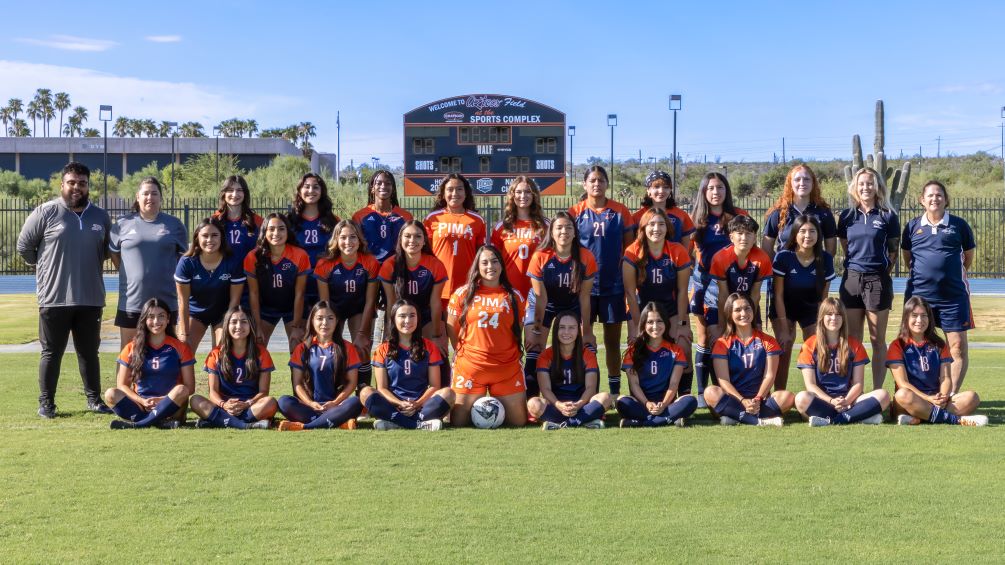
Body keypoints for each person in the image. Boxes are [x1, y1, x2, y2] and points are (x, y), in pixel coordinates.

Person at [17, 161, 113, 417]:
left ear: (88, 186)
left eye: (82, 183)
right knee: (51, 352)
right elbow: (24, 247)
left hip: (91, 297)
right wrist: (48, 267)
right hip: (54, 298)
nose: (76, 188)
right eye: (71, 183)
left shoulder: (101, 217)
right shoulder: (45, 212)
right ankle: (46, 403)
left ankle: (94, 400)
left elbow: (106, 251)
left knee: (89, 352)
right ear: (62, 185)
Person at [901, 180, 975, 393]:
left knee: (957, 347)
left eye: (939, 195)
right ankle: (917, 394)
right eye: (930, 195)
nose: (935, 199)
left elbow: (967, 259)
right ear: (922, 200)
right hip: (920, 299)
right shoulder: (912, 226)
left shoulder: (959, 225)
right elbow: (908, 260)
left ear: (946, 199)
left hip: (953, 298)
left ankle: (949, 396)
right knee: (915, 347)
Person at [568, 165, 636, 396]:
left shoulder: (620, 211)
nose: (597, 184)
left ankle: (615, 391)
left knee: (612, 342)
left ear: (607, 184)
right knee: (583, 340)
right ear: (585, 184)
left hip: (613, 286)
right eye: (592, 180)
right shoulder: (575, 212)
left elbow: (629, 248)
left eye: (601, 180)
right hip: (584, 286)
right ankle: (587, 389)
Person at [447, 245, 527, 427]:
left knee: (519, 422)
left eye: (494, 261)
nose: (490, 266)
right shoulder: (463, 294)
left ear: (502, 265)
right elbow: (451, 326)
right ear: (477, 266)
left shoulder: (514, 296)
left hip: (506, 368)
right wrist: (461, 351)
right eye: (484, 262)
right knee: (458, 423)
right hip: (471, 368)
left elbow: (517, 329)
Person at [688, 172, 747, 406]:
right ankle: (703, 393)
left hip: (733, 284)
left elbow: (749, 245)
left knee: (729, 336)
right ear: (704, 191)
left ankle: (727, 389)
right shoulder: (695, 220)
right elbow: (689, 255)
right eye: (711, 188)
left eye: (720, 187)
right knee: (706, 337)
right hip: (704, 284)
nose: (716, 192)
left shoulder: (738, 216)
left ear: (726, 190)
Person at [838, 167, 900, 390]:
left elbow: (892, 252)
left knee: (877, 339)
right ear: (855, 186)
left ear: (877, 187)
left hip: (877, 280)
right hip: (852, 279)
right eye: (862, 183)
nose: (866, 187)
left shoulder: (888, 216)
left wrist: (879, 274)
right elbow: (846, 248)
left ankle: (876, 392)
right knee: (853, 338)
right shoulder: (846, 217)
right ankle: (855, 388)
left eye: (870, 183)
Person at [109, 176, 188, 348]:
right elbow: (115, 255)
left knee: (166, 352)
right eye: (145, 193)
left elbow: (184, 261)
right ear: (138, 196)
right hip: (132, 301)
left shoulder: (174, 225)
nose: (149, 197)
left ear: (160, 198)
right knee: (128, 353)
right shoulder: (122, 224)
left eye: (154, 193)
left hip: (166, 302)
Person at [525, 212, 598, 396]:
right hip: (543, 304)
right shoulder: (540, 257)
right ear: (551, 232)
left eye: (568, 227)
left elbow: (584, 297)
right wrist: (535, 330)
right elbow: (541, 298)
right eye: (559, 227)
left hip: (572, 304)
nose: (563, 231)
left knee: (587, 348)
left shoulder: (586, 257)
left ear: (575, 232)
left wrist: (587, 331)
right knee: (535, 350)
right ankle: (532, 403)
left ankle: (591, 400)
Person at [887, 297, 986, 426]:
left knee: (972, 397)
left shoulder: (938, 344)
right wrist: (927, 398)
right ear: (906, 319)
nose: (919, 320)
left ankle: (922, 417)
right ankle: (955, 419)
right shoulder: (897, 345)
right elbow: (902, 383)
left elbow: (945, 377)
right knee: (902, 395)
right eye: (914, 316)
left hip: (935, 399)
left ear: (929, 319)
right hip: (911, 400)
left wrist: (943, 397)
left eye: (924, 316)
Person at [359, 300, 455, 431]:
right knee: (365, 392)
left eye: (412, 315)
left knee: (449, 393)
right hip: (393, 406)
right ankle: (417, 425)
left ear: (418, 319)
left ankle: (396, 423)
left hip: (421, 406)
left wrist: (416, 404)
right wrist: (400, 403)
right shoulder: (382, 349)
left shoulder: (430, 347)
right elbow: (382, 388)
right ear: (393, 319)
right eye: (402, 316)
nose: (407, 320)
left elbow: (434, 385)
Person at [703, 293, 794, 426]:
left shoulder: (768, 341)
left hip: (760, 400)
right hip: (734, 400)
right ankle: (758, 420)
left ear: (753, 310)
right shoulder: (722, 343)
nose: (743, 313)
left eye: (747, 308)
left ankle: (734, 417)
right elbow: (724, 381)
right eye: (738, 310)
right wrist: (742, 400)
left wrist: (757, 398)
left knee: (788, 397)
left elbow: (769, 376)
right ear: (730, 314)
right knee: (710, 392)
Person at [794, 298, 888, 426]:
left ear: (844, 318)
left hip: (850, 401)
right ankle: (856, 417)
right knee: (801, 399)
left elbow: (858, 384)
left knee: (884, 395)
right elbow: (811, 385)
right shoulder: (809, 345)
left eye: (838, 314)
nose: (834, 318)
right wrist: (832, 401)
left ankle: (834, 419)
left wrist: (846, 401)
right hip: (823, 400)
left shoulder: (854, 345)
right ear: (822, 317)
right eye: (829, 314)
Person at [104, 298, 195, 429]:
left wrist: (163, 400)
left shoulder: (180, 348)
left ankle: (140, 424)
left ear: (168, 319)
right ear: (144, 320)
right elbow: (122, 385)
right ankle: (157, 422)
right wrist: (142, 401)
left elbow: (189, 387)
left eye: (161, 316)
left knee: (181, 390)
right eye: (151, 317)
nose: (156, 321)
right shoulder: (132, 348)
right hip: (141, 404)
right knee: (111, 394)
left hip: (170, 404)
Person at [277, 301, 364, 430]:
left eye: (330, 318)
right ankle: (337, 422)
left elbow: (352, 382)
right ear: (312, 321)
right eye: (320, 318)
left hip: (337, 406)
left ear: (337, 321)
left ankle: (306, 426)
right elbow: (297, 383)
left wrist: (335, 403)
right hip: (310, 407)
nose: (325, 323)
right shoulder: (302, 348)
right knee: (284, 401)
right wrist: (310, 403)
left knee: (356, 402)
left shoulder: (347, 348)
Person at [770, 215, 834, 389]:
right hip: (785, 308)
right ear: (795, 234)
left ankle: (818, 394)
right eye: (802, 231)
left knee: (816, 347)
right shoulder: (783, 257)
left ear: (818, 235)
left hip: (811, 309)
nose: (807, 236)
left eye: (812, 231)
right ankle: (779, 394)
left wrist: (822, 326)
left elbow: (823, 299)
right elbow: (778, 295)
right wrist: (783, 328)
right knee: (785, 344)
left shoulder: (826, 259)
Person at [314, 220, 380, 388]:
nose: (348, 242)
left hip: (359, 308)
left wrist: (362, 333)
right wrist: (328, 328)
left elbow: (371, 300)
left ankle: (363, 397)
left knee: (361, 348)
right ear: (336, 240)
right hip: (334, 310)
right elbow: (325, 303)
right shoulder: (325, 264)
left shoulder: (370, 262)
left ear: (359, 240)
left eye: (353, 237)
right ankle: (332, 393)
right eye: (343, 237)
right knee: (331, 349)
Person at [190, 306, 277, 429]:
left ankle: (217, 421)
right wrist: (224, 405)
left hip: (249, 406)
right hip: (224, 407)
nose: (239, 326)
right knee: (195, 400)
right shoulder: (215, 353)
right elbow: (213, 392)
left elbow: (263, 392)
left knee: (271, 403)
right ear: (227, 326)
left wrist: (247, 403)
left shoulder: (261, 353)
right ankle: (246, 425)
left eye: (244, 322)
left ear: (251, 325)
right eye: (234, 322)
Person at [616, 303, 697, 428]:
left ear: (666, 323)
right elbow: (634, 384)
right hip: (641, 404)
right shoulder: (633, 351)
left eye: (659, 321)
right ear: (643, 325)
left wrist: (663, 404)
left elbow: (674, 384)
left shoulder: (676, 350)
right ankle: (667, 419)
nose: (655, 326)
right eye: (650, 322)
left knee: (690, 400)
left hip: (666, 404)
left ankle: (642, 422)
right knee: (622, 402)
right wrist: (647, 403)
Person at [528, 311, 611, 430]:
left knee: (606, 398)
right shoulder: (545, 356)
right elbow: (545, 389)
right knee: (533, 404)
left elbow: (590, 388)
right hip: (556, 406)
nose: (566, 332)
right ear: (556, 330)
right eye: (562, 327)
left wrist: (578, 405)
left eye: (571, 328)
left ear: (578, 331)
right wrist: (559, 405)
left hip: (582, 405)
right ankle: (584, 421)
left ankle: (564, 424)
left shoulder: (587, 355)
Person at [378, 221, 449, 359]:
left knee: (438, 352)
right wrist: (390, 332)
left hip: (427, 315)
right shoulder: (389, 265)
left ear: (424, 241)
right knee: (391, 355)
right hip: (402, 315)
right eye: (407, 236)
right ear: (400, 239)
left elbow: (435, 303)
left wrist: (437, 335)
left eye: (417, 236)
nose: (412, 240)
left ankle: (441, 379)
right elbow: (391, 304)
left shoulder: (435, 265)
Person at [174, 218, 245, 352]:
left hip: (223, 313)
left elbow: (235, 300)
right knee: (184, 350)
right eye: (205, 236)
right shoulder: (187, 262)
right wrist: (183, 333)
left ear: (222, 237)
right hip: (195, 313)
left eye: (214, 235)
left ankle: (216, 373)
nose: (209, 240)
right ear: (197, 238)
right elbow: (183, 301)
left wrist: (228, 325)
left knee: (222, 351)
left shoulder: (232, 261)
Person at [243, 213, 311, 350]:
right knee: (257, 347)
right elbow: (254, 293)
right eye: (271, 229)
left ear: (288, 231)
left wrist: (297, 326)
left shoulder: (300, 255)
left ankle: (297, 371)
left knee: (297, 347)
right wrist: (257, 325)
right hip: (265, 309)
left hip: (292, 308)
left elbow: (300, 293)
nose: (276, 233)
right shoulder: (253, 257)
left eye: (281, 228)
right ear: (264, 231)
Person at [424, 173, 487, 311]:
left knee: (462, 331)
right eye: (450, 189)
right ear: (443, 193)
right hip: (438, 284)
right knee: (437, 331)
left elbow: (481, 255)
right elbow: (425, 254)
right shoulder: (432, 218)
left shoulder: (477, 220)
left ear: (466, 193)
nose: (454, 193)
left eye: (459, 189)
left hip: (466, 285)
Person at [287, 173, 339, 313]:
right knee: (301, 332)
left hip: (326, 283)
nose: (311, 191)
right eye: (306, 187)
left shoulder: (334, 221)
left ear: (322, 192)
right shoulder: (289, 221)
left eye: (316, 187)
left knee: (325, 329)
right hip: (298, 284)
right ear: (299, 191)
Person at [490, 176, 547, 299]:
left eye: (527, 192)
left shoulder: (545, 225)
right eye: (519, 192)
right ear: (512, 195)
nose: (523, 196)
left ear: (534, 196)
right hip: (509, 288)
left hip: (537, 288)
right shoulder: (502, 227)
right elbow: (494, 260)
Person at [709, 215, 772, 323]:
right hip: (720, 302)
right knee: (716, 335)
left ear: (755, 238)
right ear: (731, 237)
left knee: (755, 334)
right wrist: (723, 325)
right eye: (740, 233)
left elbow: (755, 294)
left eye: (748, 233)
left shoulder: (762, 259)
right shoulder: (720, 258)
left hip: (748, 305)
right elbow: (723, 294)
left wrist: (751, 323)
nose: (744, 238)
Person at [352, 170, 413, 263]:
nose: (383, 186)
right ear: (372, 188)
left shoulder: (405, 216)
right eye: (379, 183)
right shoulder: (359, 216)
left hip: (396, 267)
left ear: (393, 188)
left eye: (388, 183)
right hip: (369, 268)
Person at [632, 170, 695, 247]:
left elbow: (686, 247)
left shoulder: (682, 216)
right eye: (656, 187)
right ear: (648, 190)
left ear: (670, 190)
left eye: (666, 187)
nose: (661, 191)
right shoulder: (637, 217)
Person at [212, 175, 262, 268]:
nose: (235, 194)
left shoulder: (258, 221)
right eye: (230, 190)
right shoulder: (214, 221)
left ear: (245, 193)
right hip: (222, 277)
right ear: (224, 193)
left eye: (239, 190)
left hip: (250, 277)